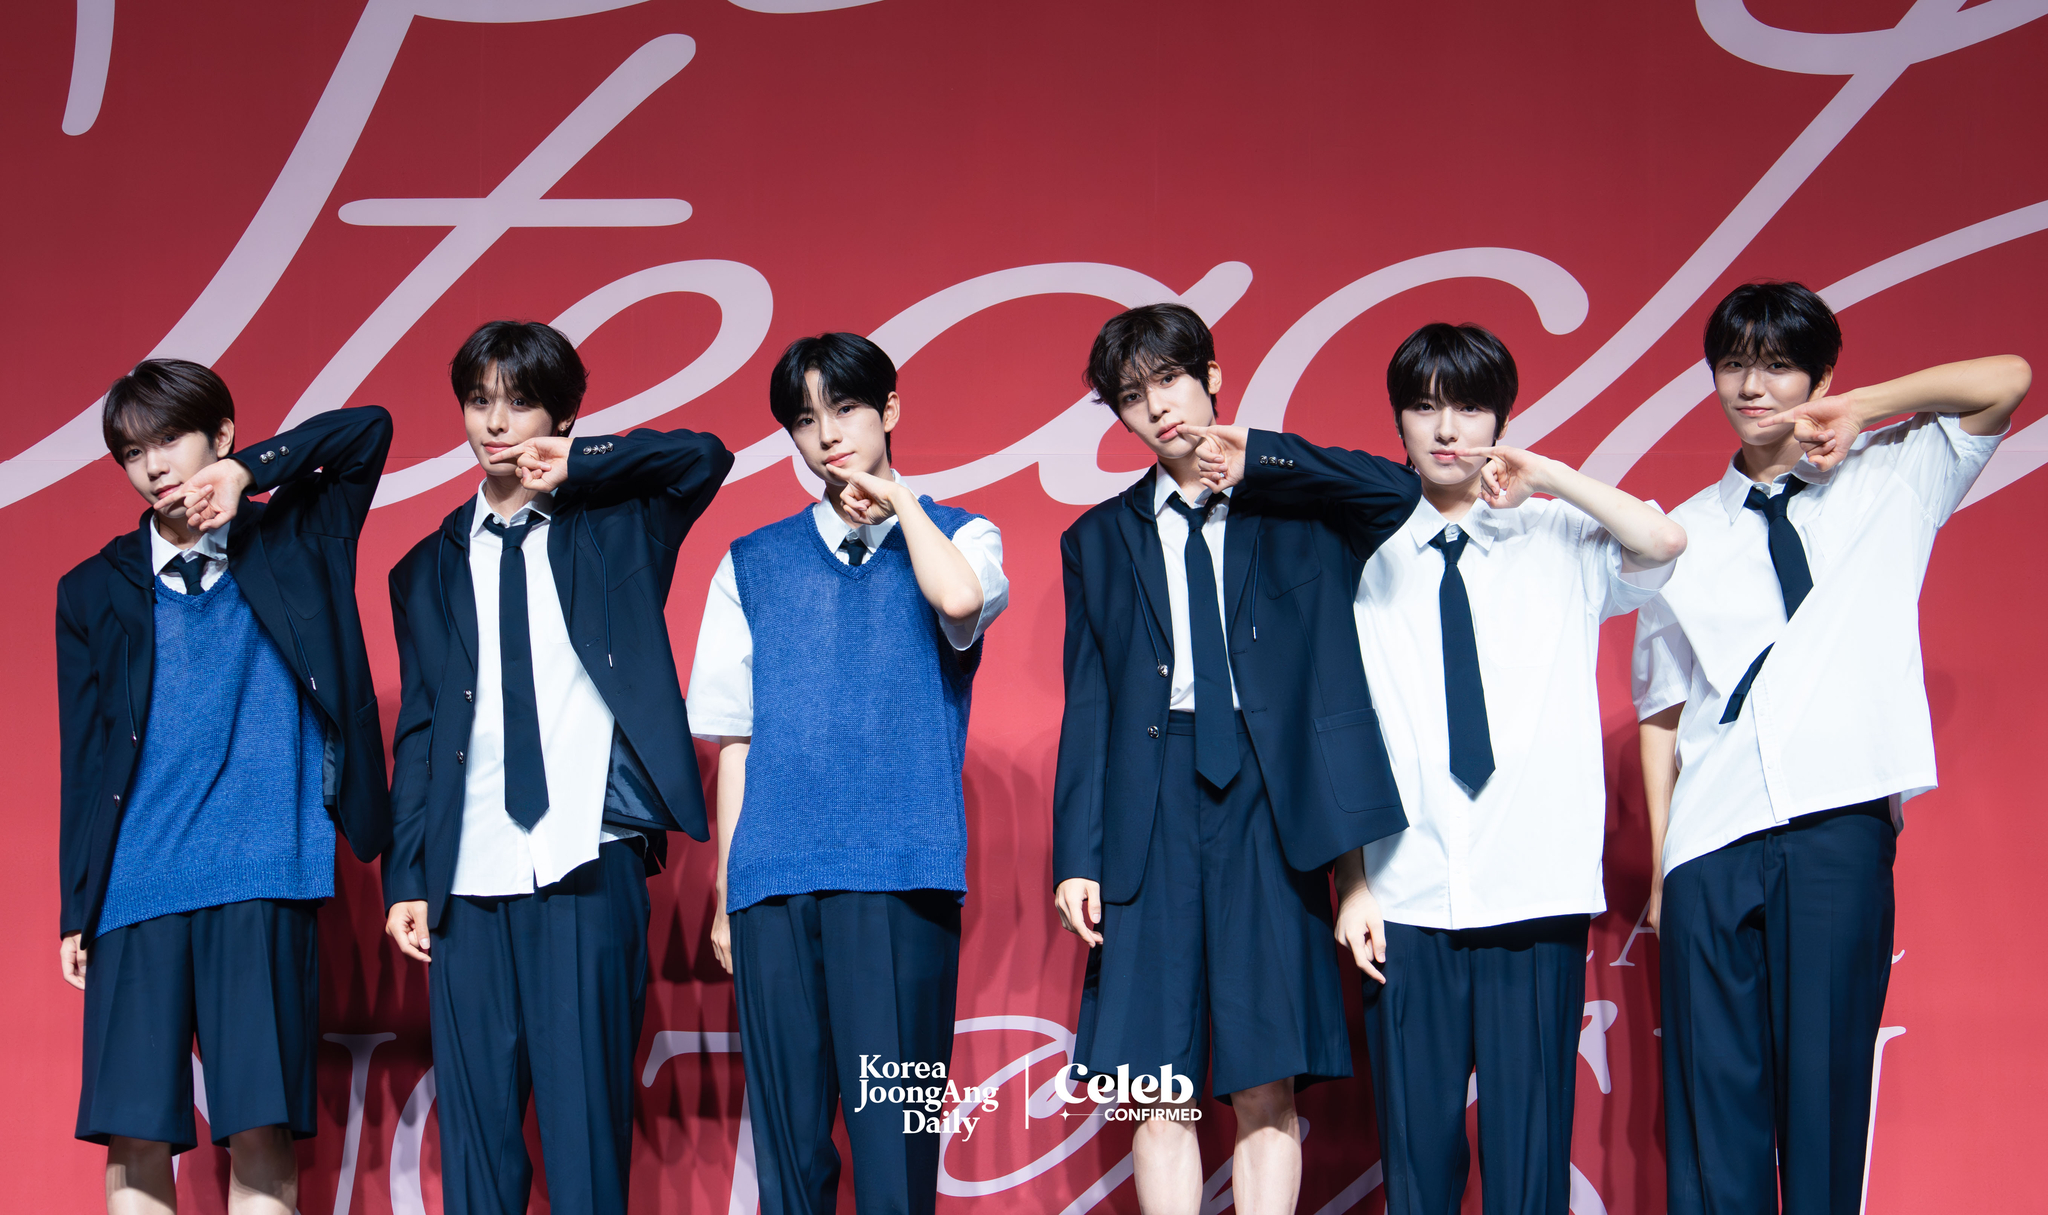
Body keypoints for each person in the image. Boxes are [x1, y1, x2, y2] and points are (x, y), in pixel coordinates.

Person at [1632, 281, 2028, 1214]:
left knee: (1824, 1105)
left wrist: (1865, 408)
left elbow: (2006, 380)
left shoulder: (1895, 476)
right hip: (1709, 843)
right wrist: (1660, 864)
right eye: (1734, 364)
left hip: (1835, 827)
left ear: (1821, 375)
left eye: (1776, 365)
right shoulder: (1683, 528)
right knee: (1709, 1120)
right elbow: (1662, 711)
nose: (1752, 386)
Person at [1054, 302, 1417, 1215]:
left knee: (1266, 1076)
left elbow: (1399, 496)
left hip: (1270, 796)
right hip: (1148, 803)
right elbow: (1089, 701)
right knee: (1153, 1083)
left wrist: (1265, 456)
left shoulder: (1298, 511)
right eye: (1132, 398)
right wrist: (1076, 856)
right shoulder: (1096, 540)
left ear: (1211, 375)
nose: (1158, 409)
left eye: (1171, 381)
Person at [1325, 323, 1685, 1215]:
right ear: (1398, 420)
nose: (1447, 429)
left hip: (1535, 889)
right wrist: (1354, 884)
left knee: (1530, 1164)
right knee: (1418, 1160)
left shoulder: (1558, 535)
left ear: (1503, 417)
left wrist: (1549, 475)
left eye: (1470, 407)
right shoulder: (1356, 555)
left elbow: (1662, 540)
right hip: (1406, 896)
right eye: (1424, 406)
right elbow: (1336, 732)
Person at [381, 320, 732, 1215]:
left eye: (520, 401)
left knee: (584, 1134)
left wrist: (582, 462)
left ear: (563, 413)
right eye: (477, 400)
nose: (495, 422)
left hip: (587, 850)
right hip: (467, 869)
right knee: (478, 1141)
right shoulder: (424, 566)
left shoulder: (618, 524)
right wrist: (407, 875)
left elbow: (702, 455)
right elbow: (419, 729)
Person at [57, 359, 393, 1215]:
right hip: (137, 884)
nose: (155, 465)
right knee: (136, 1136)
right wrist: (78, 904)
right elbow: (88, 759)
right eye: (133, 453)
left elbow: (369, 431)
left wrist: (251, 476)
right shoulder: (92, 588)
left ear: (224, 435)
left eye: (171, 438)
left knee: (260, 1126)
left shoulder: (296, 542)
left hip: (265, 872)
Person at [686, 331, 1008, 1215]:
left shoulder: (961, 534)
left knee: (896, 1155)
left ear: (890, 410)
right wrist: (725, 891)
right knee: (790, 1155)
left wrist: (901, 501)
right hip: (775, 884)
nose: (826, 433)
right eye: (804, 419)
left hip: (900, 880)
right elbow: (737, 742)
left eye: (846, 408)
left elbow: (958, 601)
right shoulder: (750, 561)